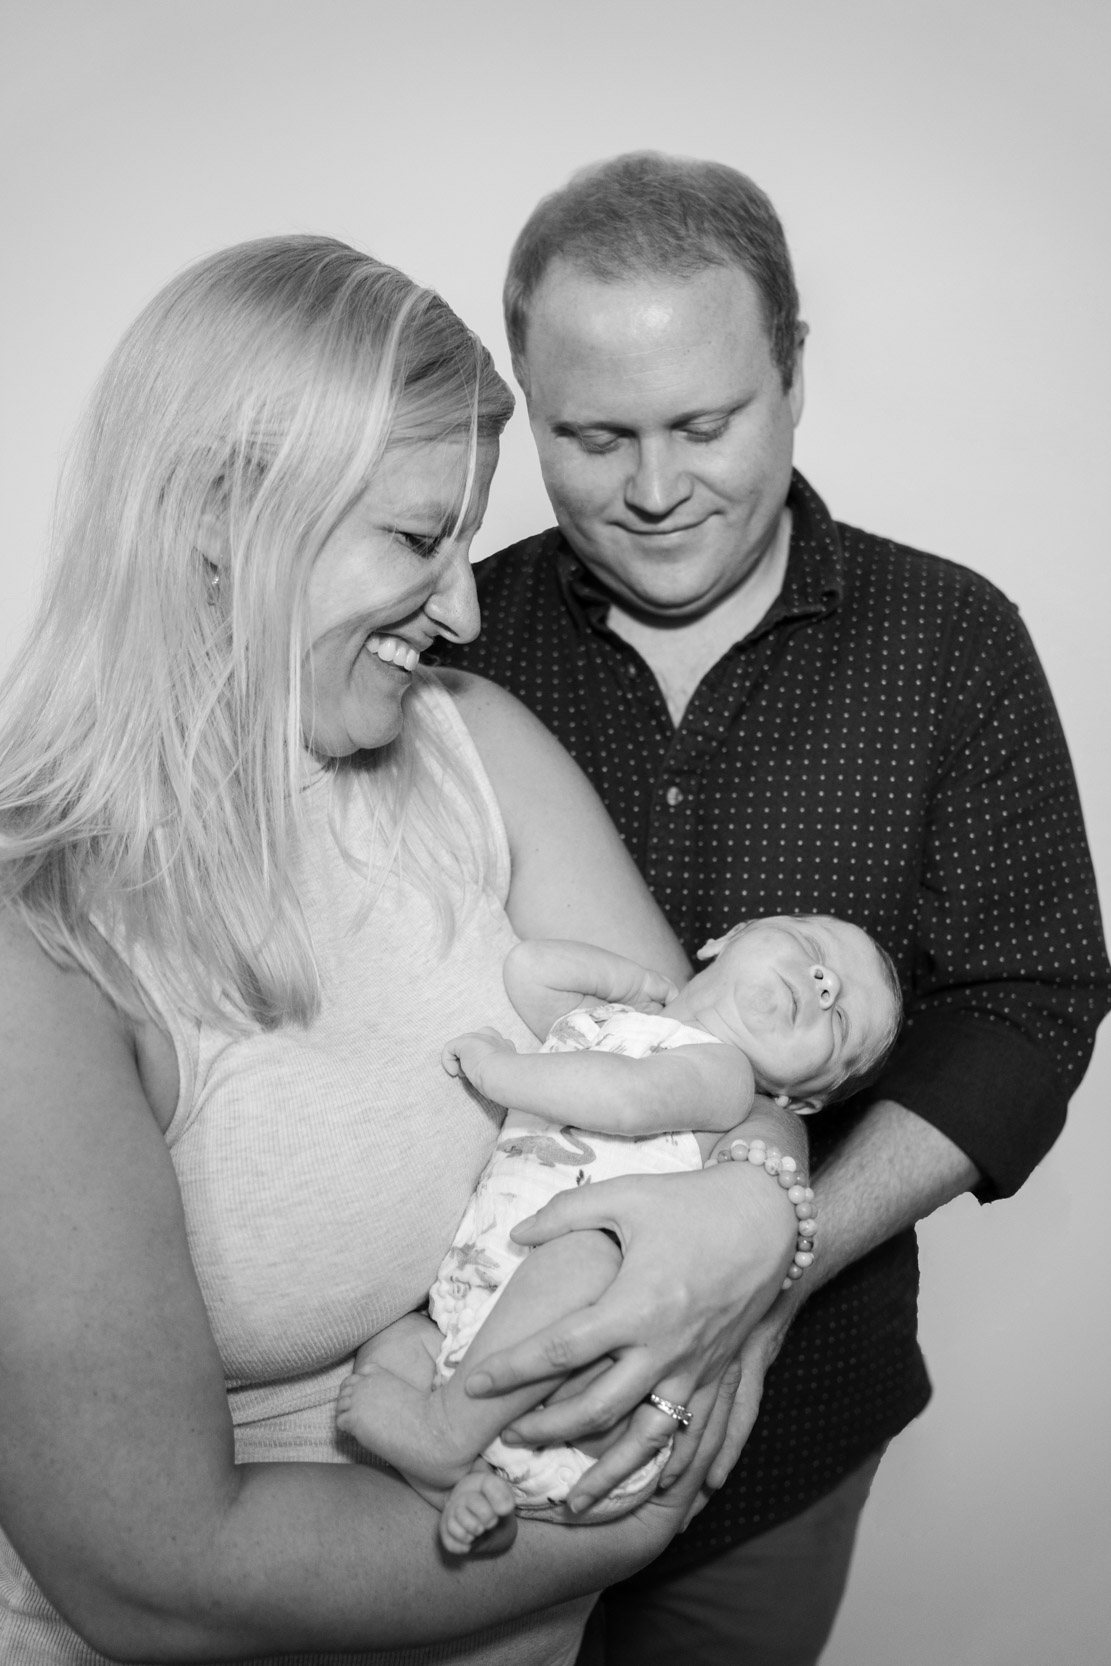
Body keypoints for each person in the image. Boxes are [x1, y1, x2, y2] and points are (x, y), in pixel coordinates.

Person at [0, 234, 816, 1665]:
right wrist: (625, 1522)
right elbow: (157, 1571)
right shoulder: (42, 943)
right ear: (215, 518)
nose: (464, 606)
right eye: (411, 538)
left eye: (464, 537)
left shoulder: (468, 747)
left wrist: (756, 1214)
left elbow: (720, 1072)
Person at [436, 152, 1111, 1665]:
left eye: (703, 423)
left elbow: (1028, 1002)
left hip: (783, 1436)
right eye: (593, 437)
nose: (656, 488)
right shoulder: (447, 649)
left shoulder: (951, 639)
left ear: (792, 374)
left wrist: (766, 1257)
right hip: (448, 1406)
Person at [336, 919, 901, 1553]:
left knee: (583, 1253)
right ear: (729, 938)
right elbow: (530, 969)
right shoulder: (620, 1022)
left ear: (798, 1103)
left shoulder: (725, 1077)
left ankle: (444, 1434)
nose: (824, 985)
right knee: (397, 1338)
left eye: (843, 1020)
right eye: (812, 948)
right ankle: (464, 1490)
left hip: (585, 1363)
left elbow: (626, 1099)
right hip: (486, 1317)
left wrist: (499, 1071)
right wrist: (632, 982)